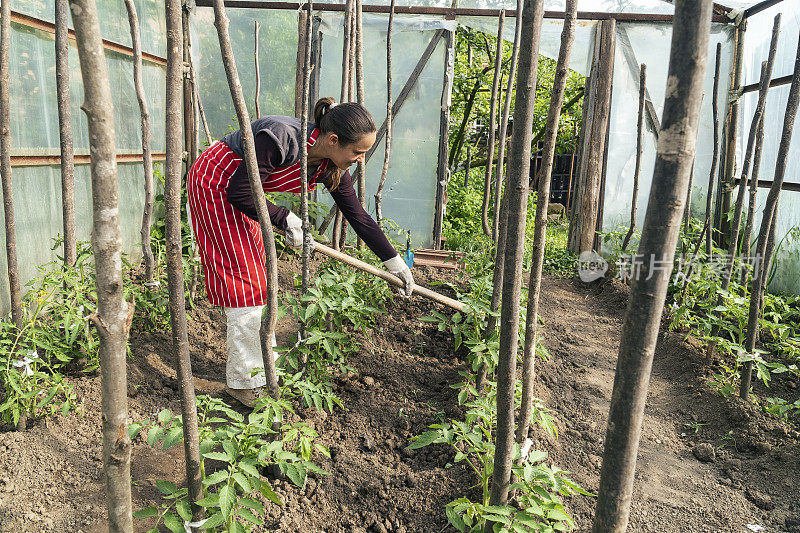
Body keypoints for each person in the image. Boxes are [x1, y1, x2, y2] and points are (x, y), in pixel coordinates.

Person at [187, 97, 414, 407]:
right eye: (357, 152)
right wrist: (284, 218)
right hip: (217, 184)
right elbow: (240, 191)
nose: (361, 160)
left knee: (259, 280)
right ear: (333, 140)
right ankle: (243, 383)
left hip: (247, 195)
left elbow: (358, 215)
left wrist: (395, 263)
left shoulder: (327, 164)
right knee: (246, 284)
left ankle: (259, 372)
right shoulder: (279, 139)